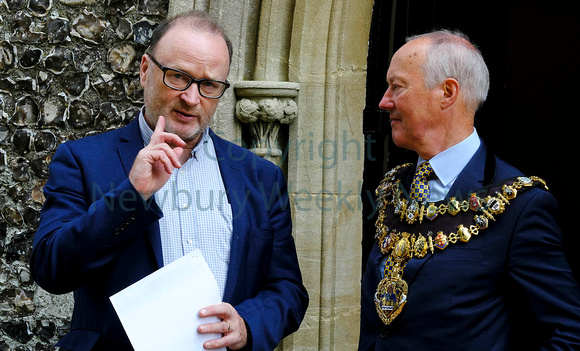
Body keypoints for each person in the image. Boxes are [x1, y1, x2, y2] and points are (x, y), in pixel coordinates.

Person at [31, 10, 308, 350]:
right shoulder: (83, 160)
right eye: (178, 76)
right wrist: (131, 196)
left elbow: (287, 289)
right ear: (145, 70)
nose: (192, 98)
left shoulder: (261, 177)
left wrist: (247, 324)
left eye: (208, 85)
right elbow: (50, 269)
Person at [359, 30, 580, 350]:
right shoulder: (394, 187)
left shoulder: (521, 205)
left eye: (397, 86)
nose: (384, 101)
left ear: (447, 92)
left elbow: (570, 331)